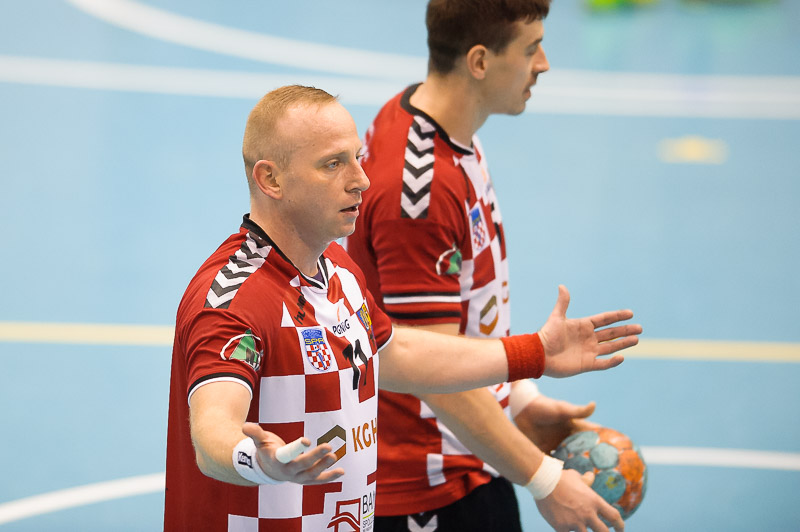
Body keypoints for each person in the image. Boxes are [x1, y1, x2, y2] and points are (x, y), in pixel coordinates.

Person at [163, 85, 641, 531]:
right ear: (270, 179)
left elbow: (398, 354)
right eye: (332, 165)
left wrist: (534, 353)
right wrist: (258, 460)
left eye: (357, 158)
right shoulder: (232, 301)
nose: (361, 181)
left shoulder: (338, 272)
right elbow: (212, 431)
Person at [345, 1, 630, 531]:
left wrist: (516, 398)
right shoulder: (422, 192)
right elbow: (431, 373)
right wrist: (543, 478)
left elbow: (465, 323)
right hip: (431, 487)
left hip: (469, 458)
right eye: (530, 48)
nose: (543, 63)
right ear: (479, 61)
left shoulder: (440, 126)